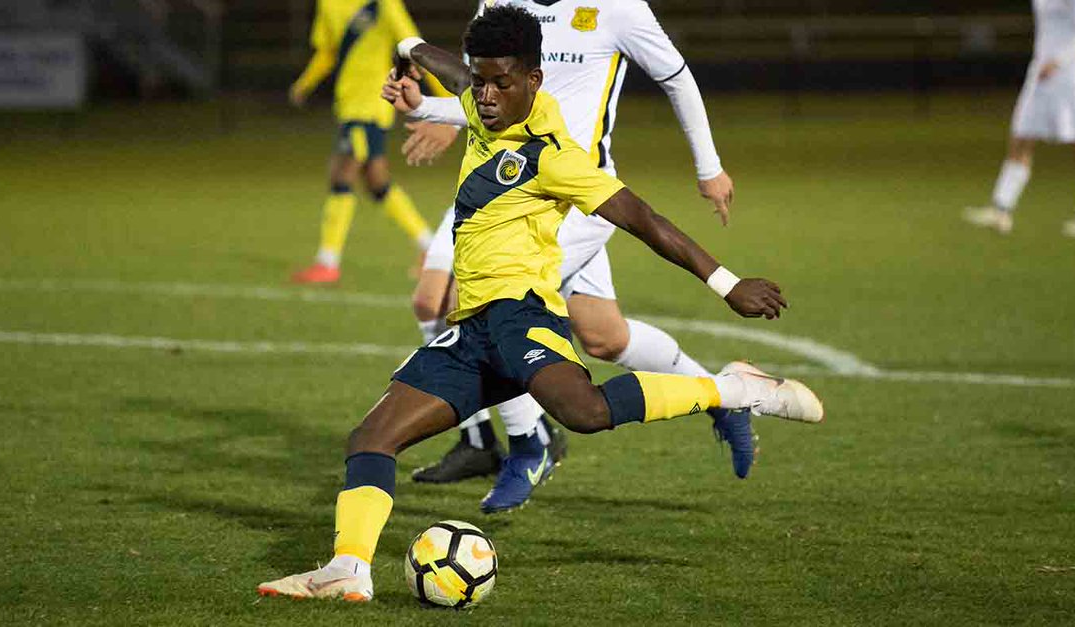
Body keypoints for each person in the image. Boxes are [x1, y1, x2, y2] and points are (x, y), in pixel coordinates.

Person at [257, 5, 823, 602]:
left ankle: (734, 389)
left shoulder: (555, 154)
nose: (488, 94)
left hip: (523, 312)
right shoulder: (482, 103)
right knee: (370, 439)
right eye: (483, 81)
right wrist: (411, 51)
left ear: (534, 80)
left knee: (584, 411)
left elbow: (642, 218)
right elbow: (453, 72)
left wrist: (727, 284)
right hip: (473, 329)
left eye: (503, 82)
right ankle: (349, 568)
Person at [391, 0, 749, 513]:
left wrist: (708, 166)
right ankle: (718, 394)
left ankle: (528, 445)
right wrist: (433, 109)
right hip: (495, 180)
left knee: (483, 307)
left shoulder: (620, 9)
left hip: (574, 197)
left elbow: (676, 77)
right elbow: (483, 81)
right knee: (605, 335)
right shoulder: (501, 4)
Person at [288, 0, 450, 284]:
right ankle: (429, 246)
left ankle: (328, 262)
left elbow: (415, 49)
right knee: (376, 182)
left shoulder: (382, 4)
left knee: (342, 173)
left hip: (369, 106)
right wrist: (304, 84)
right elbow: (327, 51)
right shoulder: (328, 4)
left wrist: (448, 100)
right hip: (348, 104)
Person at [965, 0, 1075, 238]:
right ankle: (1001, 209)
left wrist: (1059, 61)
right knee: (1021, 136)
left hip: (1067, 75)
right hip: (1039, 71)